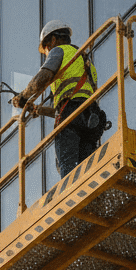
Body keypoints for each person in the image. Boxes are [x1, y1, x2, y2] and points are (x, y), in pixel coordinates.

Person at [11, 19, 108, 178]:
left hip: (71, 114)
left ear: (53, 40)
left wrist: (23, 97)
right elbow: (77, 100)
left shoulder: (59, 51)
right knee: (89, 168)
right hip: (91, 116)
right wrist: (39, 109)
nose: (47, 52)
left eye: (46, 47)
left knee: (66, 164)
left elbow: (43, 77)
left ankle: (70, 194)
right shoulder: (86, 62)